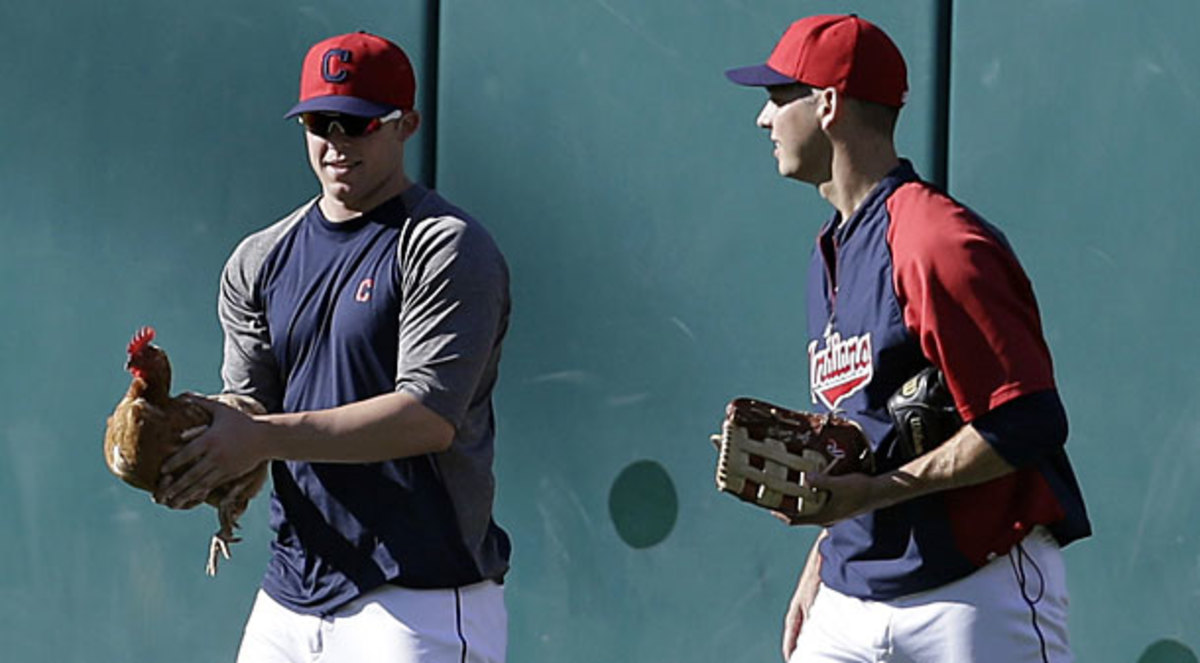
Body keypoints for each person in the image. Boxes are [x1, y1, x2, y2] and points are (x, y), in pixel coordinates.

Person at [725, 14, 1090, 663]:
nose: (764, 119)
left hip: (972, 590)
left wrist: (879, 492)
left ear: (829, 103)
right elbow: (866, 425)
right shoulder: (831, 250)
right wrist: (821, 559)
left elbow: (1029, 419)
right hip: (851, 592)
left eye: (780, 97)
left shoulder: (935, 241)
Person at [153, 31, 511, 663]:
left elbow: (425, 420)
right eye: (321, 123)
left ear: (407, 126)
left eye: (359, 124)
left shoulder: (444, 246)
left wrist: (259, 437)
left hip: (417, 593)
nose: (337, 143)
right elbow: (252, 408)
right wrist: (197, 434)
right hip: (289, 594)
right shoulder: (259, 258)